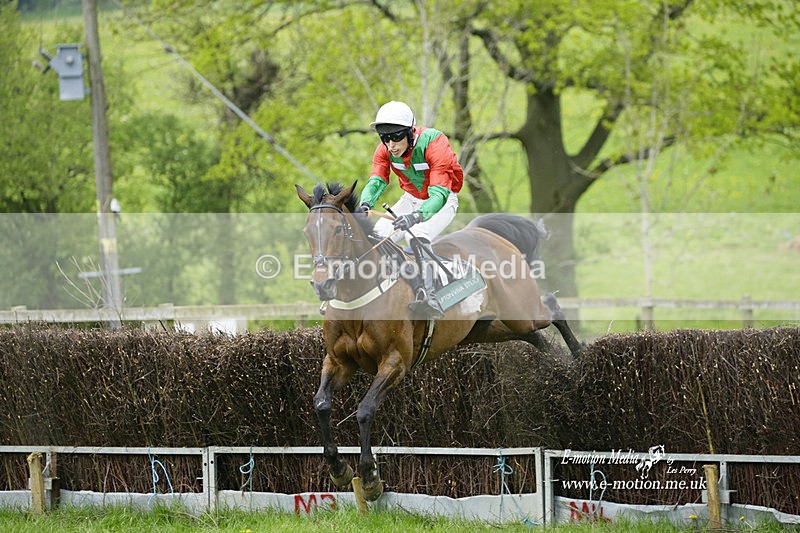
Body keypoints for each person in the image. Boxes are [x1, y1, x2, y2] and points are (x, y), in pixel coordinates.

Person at [356, 101, 464, 320]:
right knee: (378, 236)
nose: (391, 145)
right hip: (410, 198)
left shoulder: (435, 143)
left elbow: (439, 195)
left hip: (442, 201)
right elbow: (377, 180)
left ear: (410, 133)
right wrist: (365, 205)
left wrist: (416, 217)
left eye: (396, 137)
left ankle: (430, 296)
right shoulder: (385, 150)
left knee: (420, 234)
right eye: (385, 139)